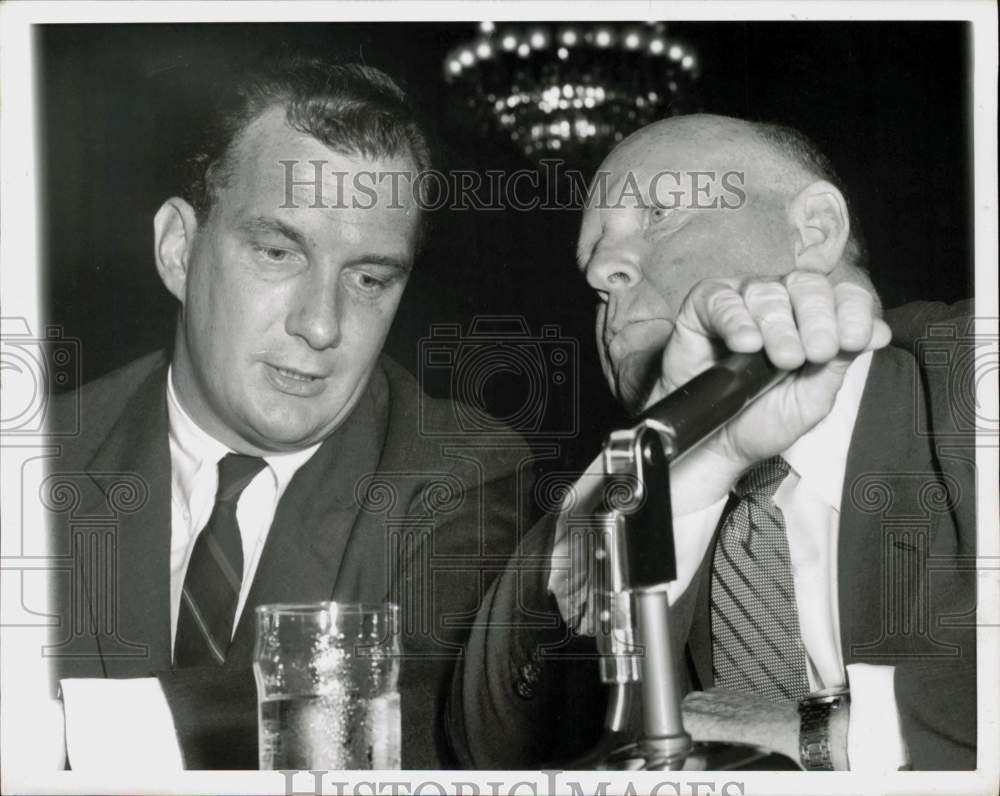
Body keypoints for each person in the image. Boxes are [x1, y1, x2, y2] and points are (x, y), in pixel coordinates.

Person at [45, 58, 530, 770]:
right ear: (179, 250)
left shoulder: (463, 473)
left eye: (368, 278)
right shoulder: (33, 457)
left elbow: (443, 711)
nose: (323, 325)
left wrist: (53, 735)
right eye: (277, 251)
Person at [452, 114, 976, 771]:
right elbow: (494, 751)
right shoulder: (609, 504)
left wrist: (834, 732)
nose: (602, 272)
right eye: (592, 262)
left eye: (661, 214)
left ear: (813, 230)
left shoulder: (970, 374)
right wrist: (682, 469)